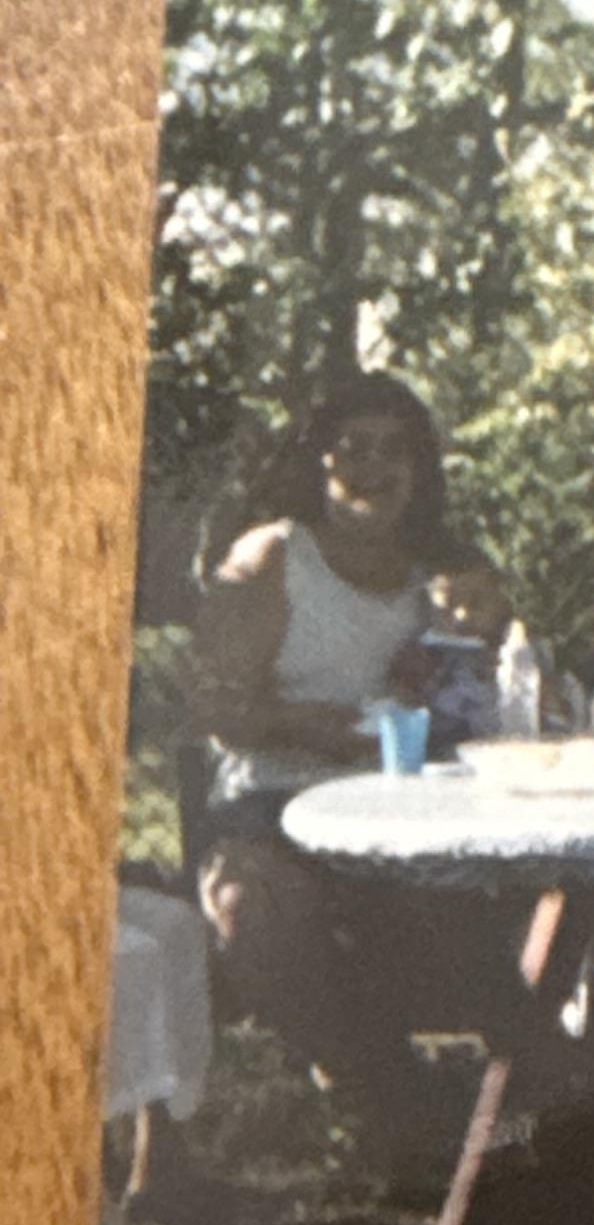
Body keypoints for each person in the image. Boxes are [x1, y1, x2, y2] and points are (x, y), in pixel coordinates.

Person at [190, 371, 505, 1104]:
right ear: (317, 462)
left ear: (420, 471)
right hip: (272, 804)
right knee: (254, 912)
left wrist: (478, 636)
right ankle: (376, 1089)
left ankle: (524, 1096)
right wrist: (301, 725)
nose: (373, 468)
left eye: (394, 451)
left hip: (409, 806)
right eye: (351, 448)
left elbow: (480, 704)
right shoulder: (274, 556)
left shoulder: (444, 572)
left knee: (517, 899)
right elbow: (212, 704)